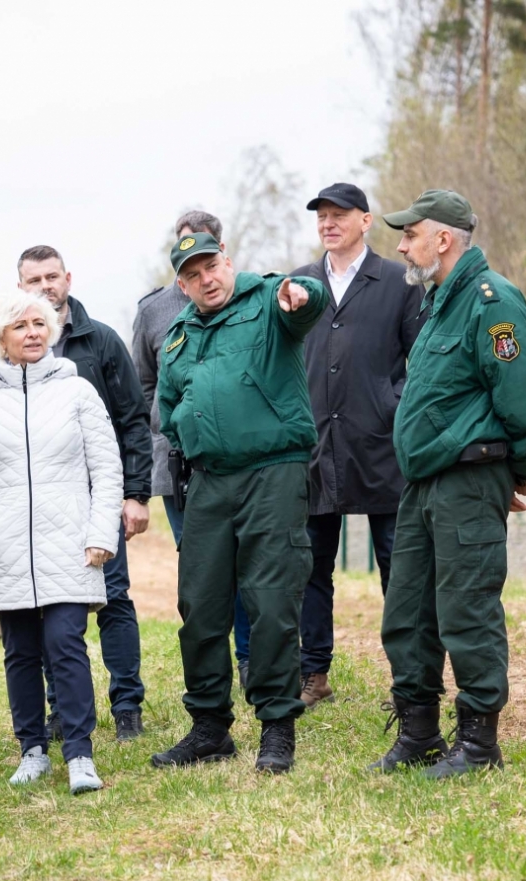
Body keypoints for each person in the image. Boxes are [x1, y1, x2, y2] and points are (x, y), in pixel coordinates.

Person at [373, 190, 526, 777]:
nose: (401, 244)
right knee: (407, 612)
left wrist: (518, 470)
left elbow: (524, 398)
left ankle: (478, 744)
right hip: (424, 483)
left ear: (442, 239)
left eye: (410, 234)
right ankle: (419, 733)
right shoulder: (438, 303)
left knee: (465, 610)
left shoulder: (490, 301)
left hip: (467, 479)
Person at [153, 232, 329, 774]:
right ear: (182, 285)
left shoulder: (270, 301)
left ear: (227, 262)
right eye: (193, 274)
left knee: (272, 600)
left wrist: (302, 294)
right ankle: (209, 728)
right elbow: (166, 404)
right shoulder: (178, 335)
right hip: (208, 481)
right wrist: (185, 425)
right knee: (199, 605)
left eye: (212, 266)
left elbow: (309, 301)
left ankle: (277, 728)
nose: (207, 278)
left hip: (271, 473)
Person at [0, 289, 123, 794]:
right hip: (6, 549)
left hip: (70, 542)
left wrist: (99, 533)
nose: (32, 332)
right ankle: (32, 750)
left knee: (65, 643)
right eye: (20, 325)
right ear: (1, 337)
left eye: (39, 324)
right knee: (20, 651)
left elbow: (106, 468)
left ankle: (80, 756)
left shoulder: (78, 392)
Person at [0, 246, 152, 741]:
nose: (43, 287)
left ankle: (127, 707)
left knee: (114, 600)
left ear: (68, 278)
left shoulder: (101, 341)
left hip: (97, 504)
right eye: (32, 280)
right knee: (46, 610)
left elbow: (133, 421)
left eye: (51, 277)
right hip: (31, 517)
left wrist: (135, 494)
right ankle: (60, 712)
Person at [289, 183, 423, 709]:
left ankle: (409, 679)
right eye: (322, 215)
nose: (328, 223)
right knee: (310, 565)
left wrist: (393, 405)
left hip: (382, 445)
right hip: (315, 445)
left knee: (399, 565)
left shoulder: (397, 281)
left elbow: (423, 360)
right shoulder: (298, 284)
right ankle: (313, 673)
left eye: (339, 214)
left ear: (365, 221)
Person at [129, 211, 253, 688]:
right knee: (202, 567)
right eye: (186, 256)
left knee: (245, 562)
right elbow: (143, 383)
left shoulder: (248, 298)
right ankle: (209, 668)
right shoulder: (153, 311)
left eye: (206, 253)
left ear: (222, 252)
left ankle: (247, 657)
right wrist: (167, 428)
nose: (200, 274)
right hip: (178, 464)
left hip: (241, 463)